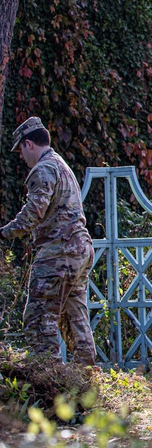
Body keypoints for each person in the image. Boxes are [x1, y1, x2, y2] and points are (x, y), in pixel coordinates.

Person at [1, 116, 96, 365]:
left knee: (39, 318)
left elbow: (33, 212)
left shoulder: (43, 169)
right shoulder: (62, 165)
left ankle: (48, 380)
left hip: (58, 253)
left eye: (20, 150)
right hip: (80, 251)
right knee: (75, 318)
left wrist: (5, 232)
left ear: (29, 144)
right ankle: (86, 381)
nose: (21, 157)